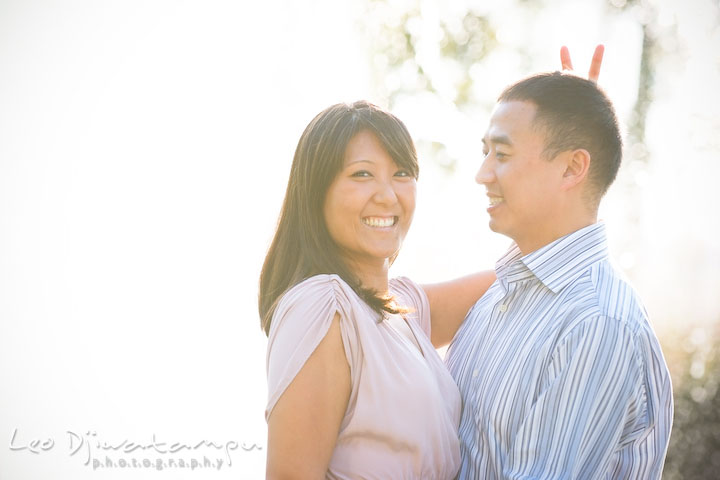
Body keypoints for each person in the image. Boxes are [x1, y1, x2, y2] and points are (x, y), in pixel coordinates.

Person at [445, 71, 674, 478]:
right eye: (485, 152)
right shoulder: (499, 295)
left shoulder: (597, 322)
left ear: (572, 168)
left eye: (501, 154)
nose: (482, 174)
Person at [259, 100, 494, 479]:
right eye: (362, 174)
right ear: (316, 192)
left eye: (402, 173)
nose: (387, 195)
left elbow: (514, 276)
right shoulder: (323, 306)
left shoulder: (400, 309)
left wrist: (558, 143)